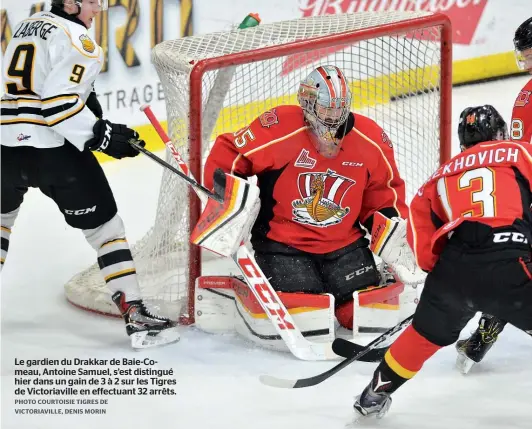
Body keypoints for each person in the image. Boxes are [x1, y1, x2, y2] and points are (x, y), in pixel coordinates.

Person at [0, 0, 179, 349]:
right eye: (93, 3)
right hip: (54, 155)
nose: (98, 9)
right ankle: (138, 318)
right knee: (106, 231)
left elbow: (50, 91)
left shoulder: (27, 26)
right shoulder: (79, 40)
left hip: (4, 148)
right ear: (70, 3)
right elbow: (58, 107)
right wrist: (104, 136)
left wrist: (100, 121)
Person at [202, 65, 424, 330]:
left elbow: (383, 195)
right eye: (326, 107)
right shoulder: (279, 126)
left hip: (346, 246)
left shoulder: (371, 140)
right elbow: (230, 152)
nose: (334, 115)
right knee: (307, 317)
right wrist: (229, 197)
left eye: (339, 107)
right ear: (307, 103)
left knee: (365, 316)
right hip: (283, 245)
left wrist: (394, 231)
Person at [352, 104, 532, 420]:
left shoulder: (436, 178)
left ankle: (373, 395)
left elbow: (425, 254)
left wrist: (447, 282)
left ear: (462, 145)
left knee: (422, 337)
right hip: (509, 258)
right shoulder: (520, 152)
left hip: (453, 270)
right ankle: (490, 324)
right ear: (501, 134)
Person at [454, 16, 532, 373]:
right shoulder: (527, 99)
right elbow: (520, 154)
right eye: (524, 57)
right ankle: (482, 338)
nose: (527, 63)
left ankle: (482, 338)